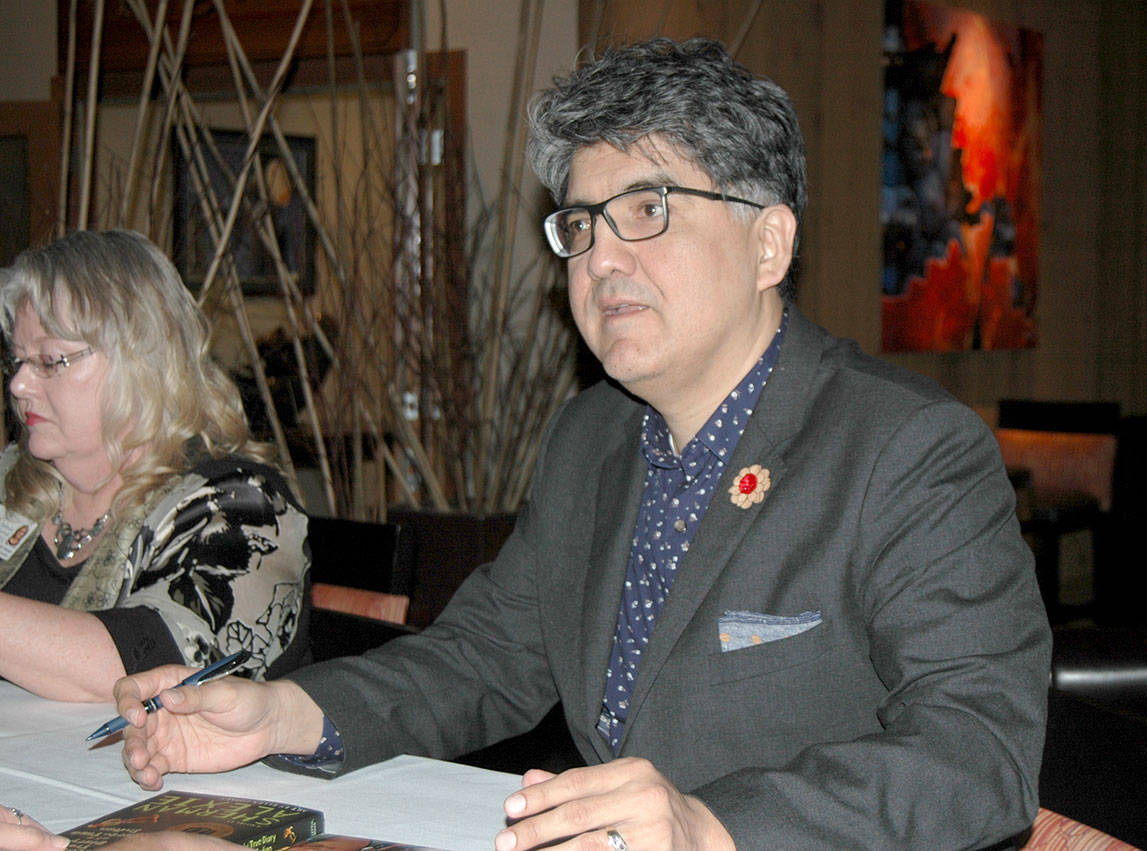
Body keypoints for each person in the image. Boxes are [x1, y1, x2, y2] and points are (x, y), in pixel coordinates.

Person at [113, 38, 1050, 849]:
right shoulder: (592, 434)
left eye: (648, 209)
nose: (601, 258)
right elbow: (487, 655)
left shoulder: (908, 449)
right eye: (580, 225)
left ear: (768, 245)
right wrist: (285, 711)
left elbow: (979, 753)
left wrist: (713, 827)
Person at [0, 230, 309, 703]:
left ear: (138, 360)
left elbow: (160, 665)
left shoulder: (243, 504)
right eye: (18, 361)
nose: (19, 384)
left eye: (49, 360)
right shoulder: (10, 481)